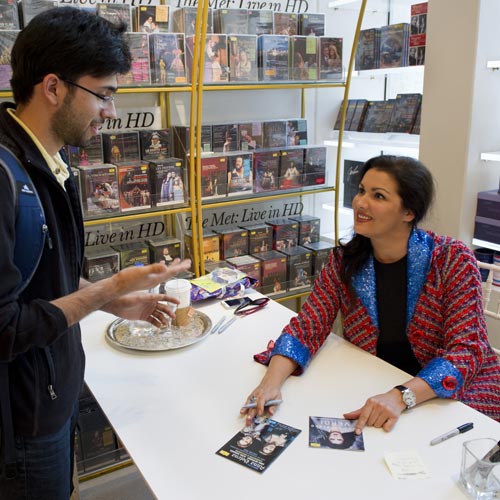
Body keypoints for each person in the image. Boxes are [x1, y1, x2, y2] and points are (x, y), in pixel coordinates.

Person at [0, 8, 191, 499]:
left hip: (52, 395)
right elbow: (6, 329)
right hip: (23, 421)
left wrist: (114, 302)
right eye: (103, 94)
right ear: (54, 88)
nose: (110, 110)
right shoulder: (5, 178)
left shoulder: (49, 160)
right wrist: (111, 286)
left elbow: (44, 277)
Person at [242, 155, 500, 433]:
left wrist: (401, 396)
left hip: (454, 396)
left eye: (378, 196)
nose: (360, 202)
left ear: (408, 212)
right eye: (362, 190)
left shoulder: (452, 259)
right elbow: (307, 328)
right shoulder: (344, 260)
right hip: (377, 386)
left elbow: (466, 351)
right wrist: (270, 383)